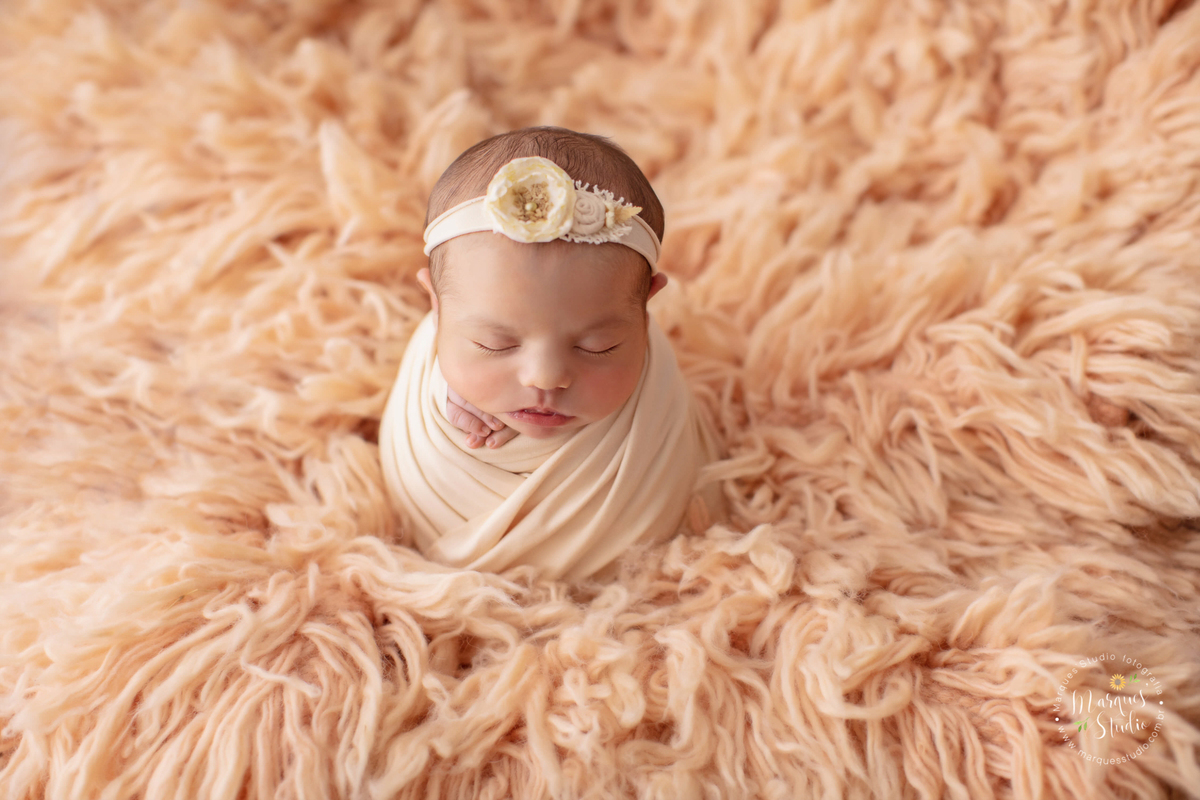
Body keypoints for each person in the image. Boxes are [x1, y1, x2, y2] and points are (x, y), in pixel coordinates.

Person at [378, 126, 724, 581]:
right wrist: (442, 388)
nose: (545, 377)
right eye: (494, 344)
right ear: (437, 306)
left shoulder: (656, 413)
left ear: (644, 312)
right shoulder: (435, 358)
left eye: (597, 347)